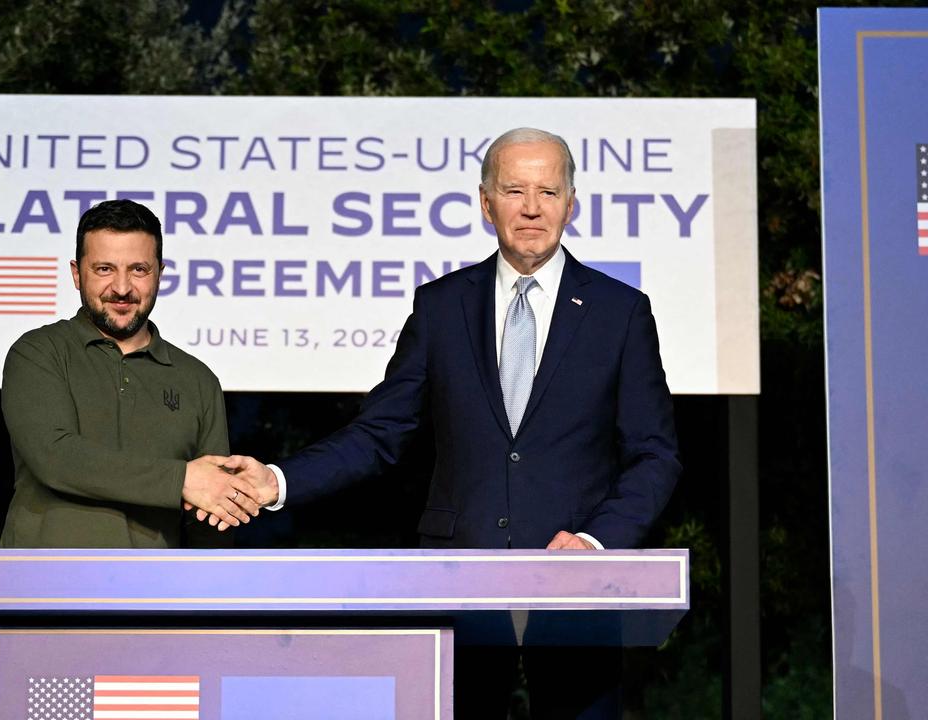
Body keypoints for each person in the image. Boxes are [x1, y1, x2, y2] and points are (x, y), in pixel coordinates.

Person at [219, 128, 681, 718]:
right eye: (514, 190)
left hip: (577, 588)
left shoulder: (620, 312)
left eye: (548, 190)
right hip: (455, 583)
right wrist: (277, 482)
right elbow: (379, 434)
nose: (532, 207)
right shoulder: (440, 306)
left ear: (572, 203)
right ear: (487, 203)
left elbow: (655, 454)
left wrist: (595, 543)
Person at [0, 199, 260, 548]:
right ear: (77, 274)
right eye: (104, 269)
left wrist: (207, 594)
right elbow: (55, 457)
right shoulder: (38, 352)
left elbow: (211, 509)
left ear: (160, 273)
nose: (121, 288)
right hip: (43, 589)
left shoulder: (197, 379)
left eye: (138, 270)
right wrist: (181, 479)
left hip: (154, 594)